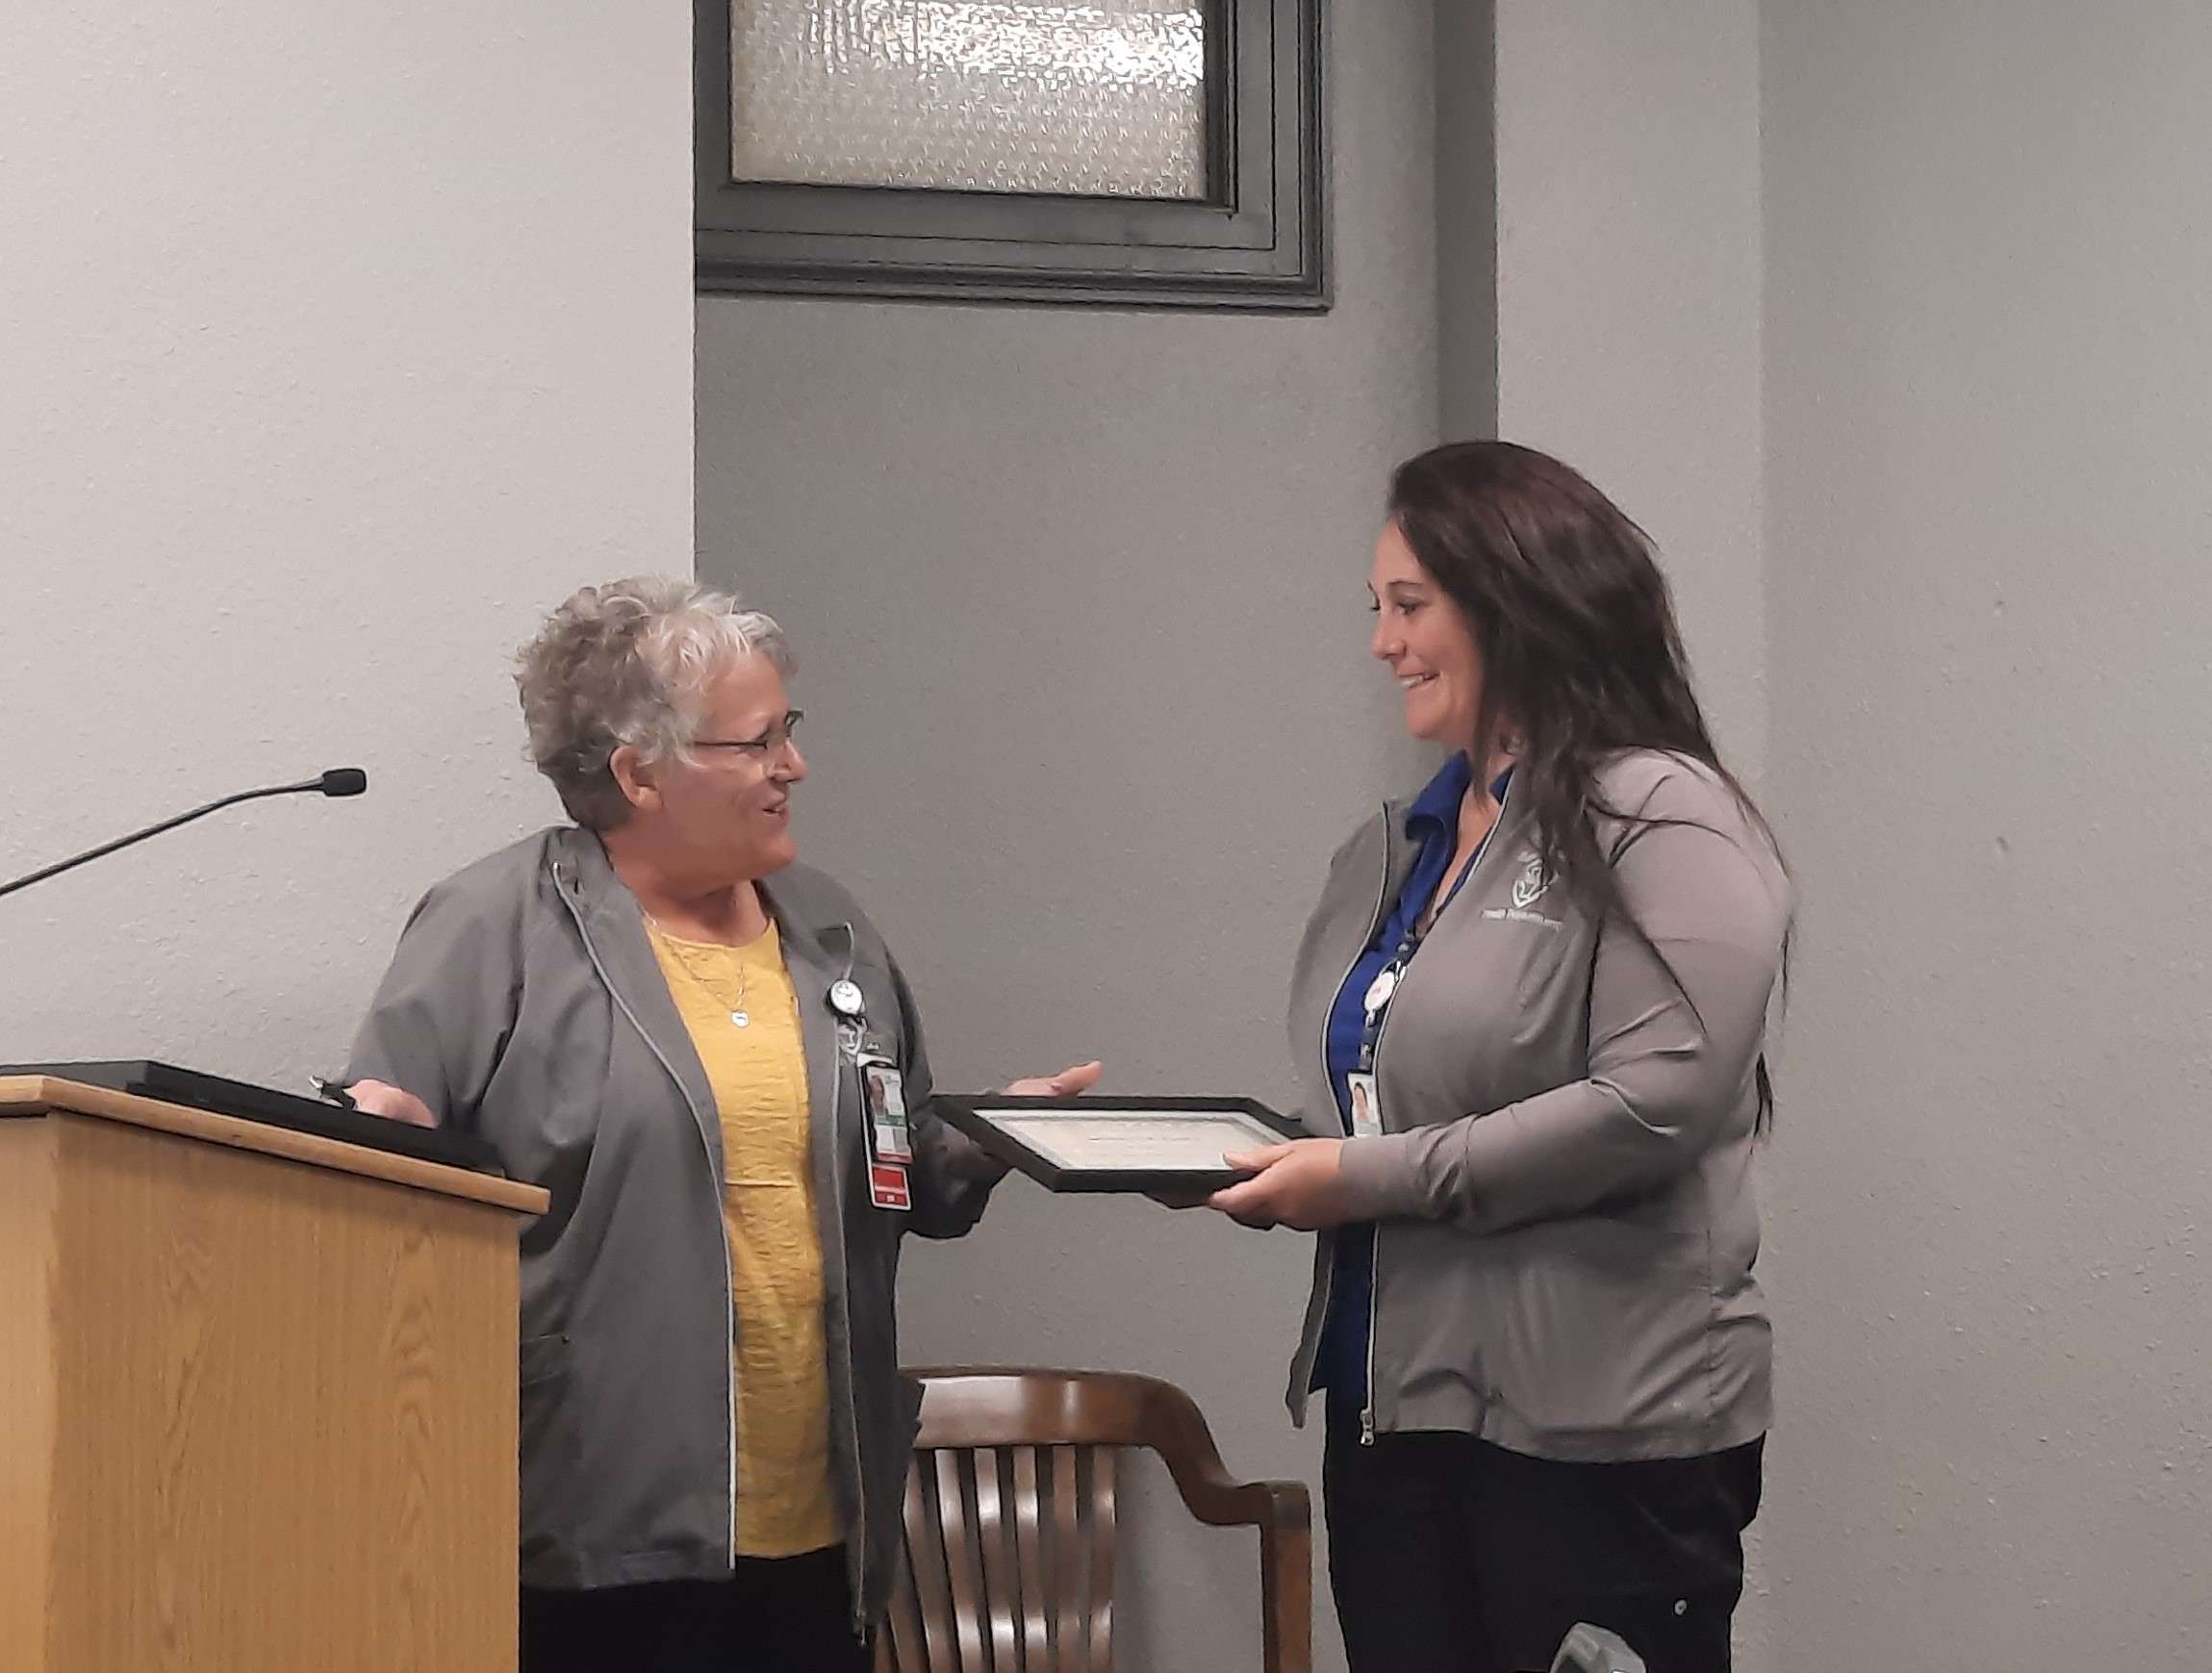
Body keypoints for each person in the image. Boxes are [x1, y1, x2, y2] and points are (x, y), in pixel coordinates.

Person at [343, 577, 1098, 1673]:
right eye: (756, 742)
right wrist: (386, 1142)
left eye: (787, 731)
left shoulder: (833, 933)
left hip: (819, 1514)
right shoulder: (491, 926)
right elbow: (389, 1173)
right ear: (638, 771)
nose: (793, 766)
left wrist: (997, 1135)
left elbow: (901, 1167)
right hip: (587, 1516)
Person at [1206, 443, 1792, 1673]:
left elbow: (1653, 1102)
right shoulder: (1402, 842)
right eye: (1377, 609)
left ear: (1519, 601)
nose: (1382, 643)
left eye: (1410, 605)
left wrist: (1355, 1179)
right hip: (1397, 1419)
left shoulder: (1662, 813)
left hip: (1598, 1440)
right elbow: (1382, 1106)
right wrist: (1236, 1155)